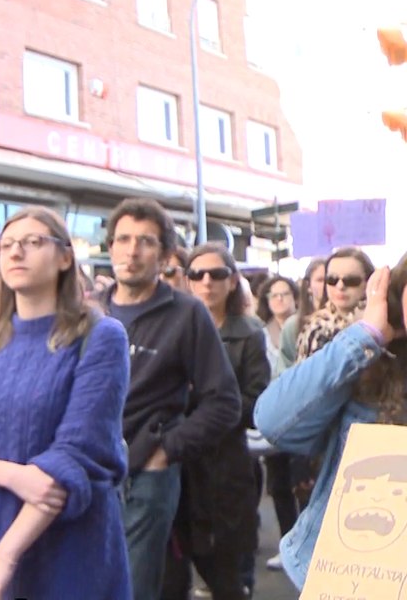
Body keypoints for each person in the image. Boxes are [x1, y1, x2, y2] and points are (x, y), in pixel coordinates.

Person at [0, 206, 131, 600]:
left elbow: (76, 454)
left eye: (32, 241)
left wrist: (6, 558)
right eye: (7, 245)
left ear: (64, 257)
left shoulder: (101, 336)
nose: (15, 252)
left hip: (65, 549)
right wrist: (15, 476)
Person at [101, 198, 241, 600]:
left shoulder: (187, 314)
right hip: (90, 472)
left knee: (135, 588)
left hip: (146, 477)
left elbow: (224, 401)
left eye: (145, 241)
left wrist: (166, 450)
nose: (132, 250)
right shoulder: (90, 313)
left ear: (164, 256)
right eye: (123, 239)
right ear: (110, 248)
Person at [255, 256, 407, 590]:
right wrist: (366, 335)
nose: (339, 286)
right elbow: (273, 420)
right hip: (349, 579)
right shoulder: (368, 363)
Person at [161, 245, 269, 600]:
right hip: (175, 465)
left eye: (217, 274)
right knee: (170, 579)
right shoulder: (170, 329)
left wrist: (210, 404)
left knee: (228, 577)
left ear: (233, 280)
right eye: (197, 274)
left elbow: (256, 403)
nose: (207, 282)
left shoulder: (249, 333)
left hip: (226, 467)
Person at [254, 274, 301, 566]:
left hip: (302, 416)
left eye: (285, 294)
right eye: (274, 295)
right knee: (280, 485)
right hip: (272, 417)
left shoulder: (305, 326)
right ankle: (287, 544)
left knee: (305, 483)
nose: (280, 299)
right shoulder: (259, 333)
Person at [295, 247, 375, 362]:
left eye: (351, 280)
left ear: (368, 282)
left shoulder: (383, 325)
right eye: (332, 279)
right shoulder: (316, 329)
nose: (340, 286)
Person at [278, 258, 326, 368]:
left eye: (329, 280)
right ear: (308, 286)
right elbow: (284, 368)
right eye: (320, 280)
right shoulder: (293, 325)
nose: (325, 285)